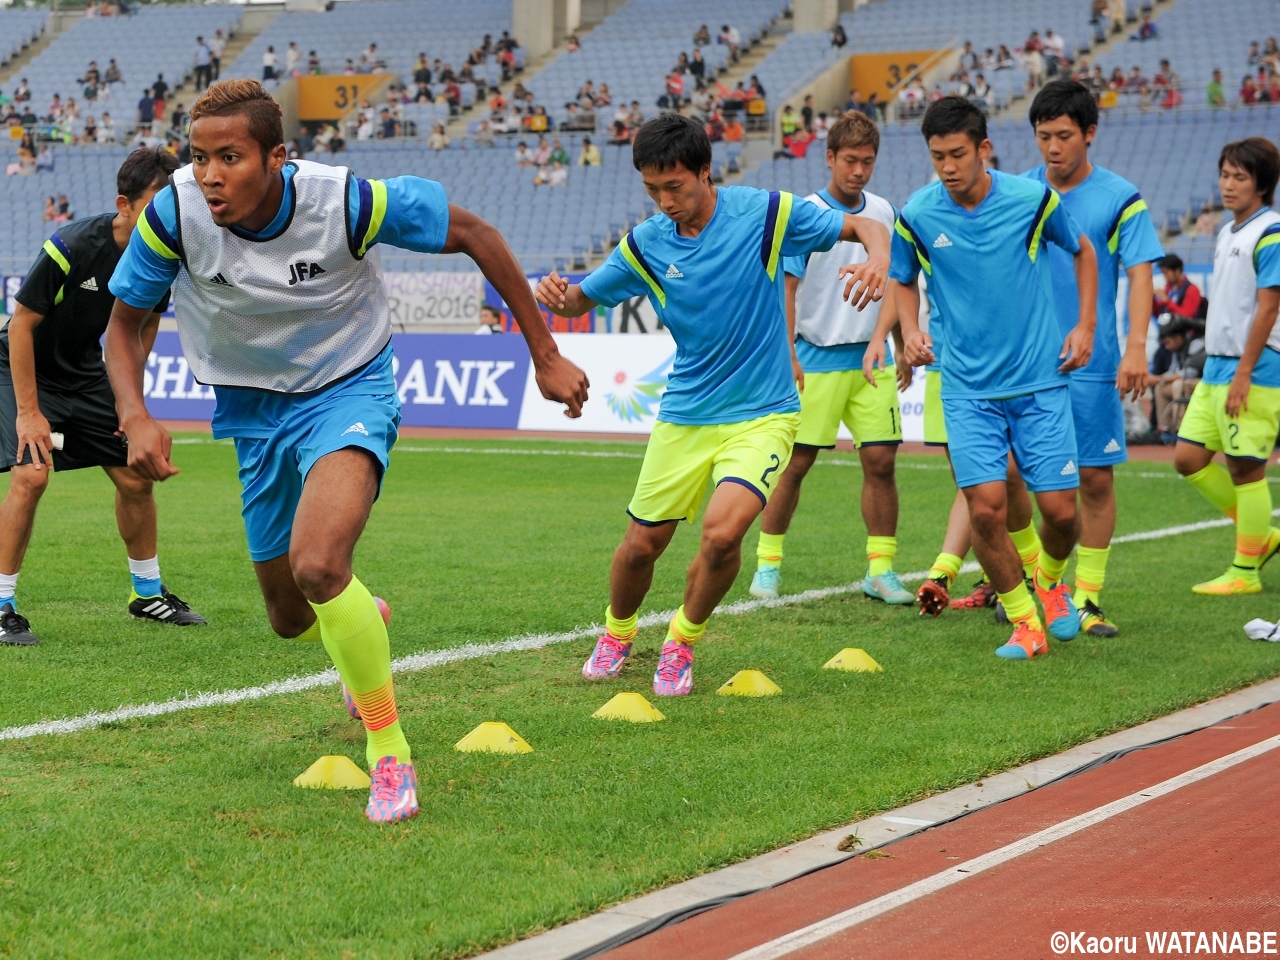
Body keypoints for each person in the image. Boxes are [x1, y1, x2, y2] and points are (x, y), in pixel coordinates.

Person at [105, 79, 588, 821]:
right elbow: (122, 325)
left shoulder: (346, 201)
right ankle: (366, 613)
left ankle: (389, 752)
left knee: (320, 564)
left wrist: (544, 355)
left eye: (230, 158)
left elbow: (476, 233)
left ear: (277, 157)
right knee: (289, 616)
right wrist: (135, 413)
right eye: (199, 158)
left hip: (348, 388)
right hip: (251, 410)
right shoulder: (173, 213)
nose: (209, 176)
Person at [535, 114, 890, 696]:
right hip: (686, 415)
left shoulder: (765, 213)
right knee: (641, 546)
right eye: (653, 189)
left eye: (674, 186)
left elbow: (865, 225)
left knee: (724, 535)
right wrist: (556, 295)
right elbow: (579, 300)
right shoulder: (646, 244)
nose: (665, 201)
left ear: (705, 172)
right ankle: (618, 633)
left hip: (765, 413)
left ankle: (681, 639)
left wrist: (877, 258)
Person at [889, 97, 1099, 660]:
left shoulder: (1033, 200)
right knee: (985, 509)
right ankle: (1025, 623)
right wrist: (909, 330)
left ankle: (1050, 582)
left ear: (984, 148)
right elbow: (902, 278)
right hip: (966, 390)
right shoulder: (918, 214)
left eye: (958, 154)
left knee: (1061, 513)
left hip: (1039, 382)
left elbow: (1082, 251)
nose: (948, 167)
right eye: (937, 156)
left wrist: (1085, 325)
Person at [0, 148, 204, 646]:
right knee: (31, 473)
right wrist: (29, 413)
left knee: (135, 476)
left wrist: (130, 404)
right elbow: (21, 326)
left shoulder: (161, 254)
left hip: (87, 372)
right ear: (124, 205)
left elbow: (145, 324)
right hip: (19, 367)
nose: (166, 217)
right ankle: (2, 604)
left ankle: (146, 594)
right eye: (156, 204)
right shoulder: (71, 245)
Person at [1018, 80, 1164, 636]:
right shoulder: (1018, 193)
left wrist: (1136, 346)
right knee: (1015, 480)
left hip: (1092, 363)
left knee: (1095, 481)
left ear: (1090, 133)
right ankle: (1034, 578)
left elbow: (1140, 275)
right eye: (1043, 137)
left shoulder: (1121, 197)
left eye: (1063, 136)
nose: (1052, 147)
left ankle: (1086, 597)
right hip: (1024, 363)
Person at [747, 112, 911, 606]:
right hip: (813, 358)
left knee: (881, 462)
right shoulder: (808, 214)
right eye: (850, 160)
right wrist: (788, 354)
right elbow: (786, 289)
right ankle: (768, 565)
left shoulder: (884, 212)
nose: (858, 171)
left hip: (871, 360)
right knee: (794, 465)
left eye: (867, 161)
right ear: (830, 158)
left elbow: (897, 281)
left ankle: (880, 571)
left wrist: (900, 342)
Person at [1172, 138, 1280, 595]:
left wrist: (1244, 373)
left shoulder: (1271, 232)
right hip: (1217, 366)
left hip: (1253, 367)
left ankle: (1245, 571)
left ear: (1262, 185)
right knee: (1188, 458)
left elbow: (1269, 308)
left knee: (1245, 468)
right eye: (1224, 175)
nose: (1228, 185)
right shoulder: (1227, 231)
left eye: (1240, 177)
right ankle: (1262, 537)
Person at [1150, 318, 1204, 441]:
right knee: (1161, 387)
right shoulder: (1177, 350)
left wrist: (1160, 378)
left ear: (1178, 338)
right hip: (1187, 382)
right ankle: (1165, 429)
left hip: (1203, 382)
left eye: (1168, 342)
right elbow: (1172, 371)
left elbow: (1190, 372)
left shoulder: (1196, 344)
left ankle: (1179, 428)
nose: (1167, 347)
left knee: (1178, 384)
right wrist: (1159, 380)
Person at [1153, 253, 1203, 320]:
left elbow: (1187, 316)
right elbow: (1159, 313)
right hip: (1167, 326)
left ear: (1177, 271)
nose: (1164, 276)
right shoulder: (1168, 289)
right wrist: (1152, 299)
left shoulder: (1192, 290)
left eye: (1166, 273)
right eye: (1163, 273)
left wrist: (1167, 301)